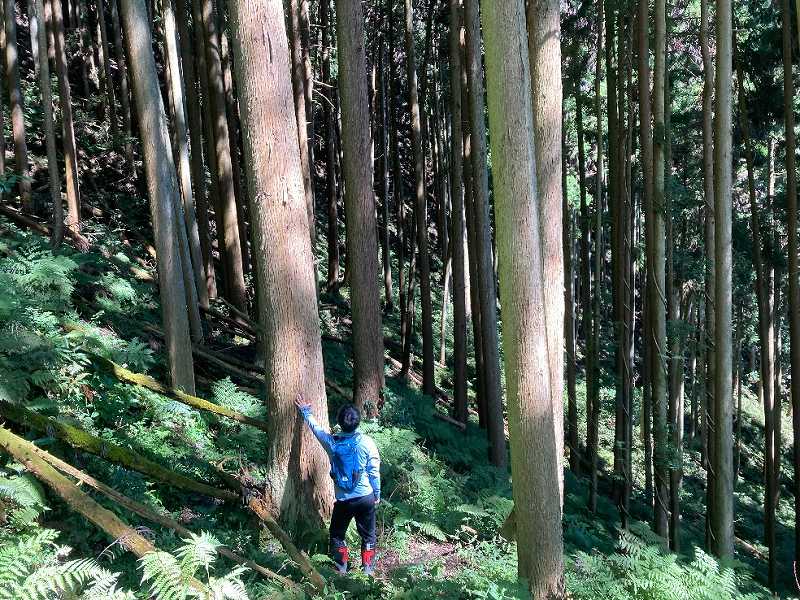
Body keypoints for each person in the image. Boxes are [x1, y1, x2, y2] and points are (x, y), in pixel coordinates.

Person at [295, 394, 381, 575]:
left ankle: (341, 567)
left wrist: (305, 412)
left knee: (337, 535)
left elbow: (317, 430)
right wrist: (377, 494)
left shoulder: (332, 442)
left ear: (340, 422)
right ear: (358, 422)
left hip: (343, 500)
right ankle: (368, 571)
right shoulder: (367, 442)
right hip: (365, 497)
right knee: (368, 536)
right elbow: (373, 471)